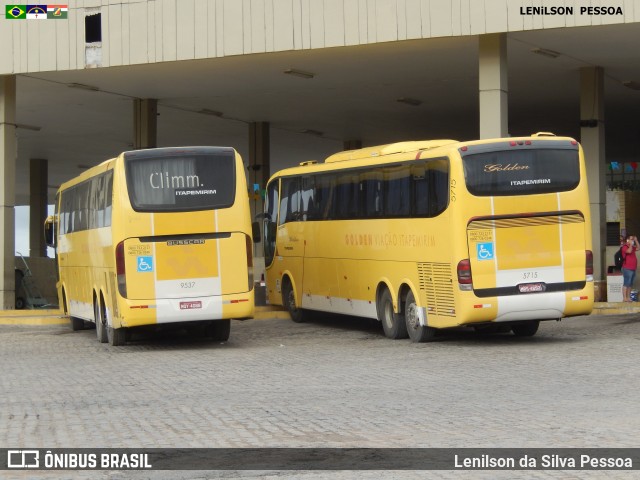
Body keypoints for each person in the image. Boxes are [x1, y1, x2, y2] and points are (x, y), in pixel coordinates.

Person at [621, 235, 638, 302]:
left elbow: (638, 248)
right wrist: (630, 245)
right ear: (627, 240)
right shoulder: (624, 247)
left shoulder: (633, 247)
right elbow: (629, 251)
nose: (632, 241)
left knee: (630, 284)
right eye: (631, 239)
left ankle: (628, 297)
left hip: (633, 268)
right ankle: (624, 298)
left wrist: (636, 240)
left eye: (633, 239)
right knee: (626, 283)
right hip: (627, 268)